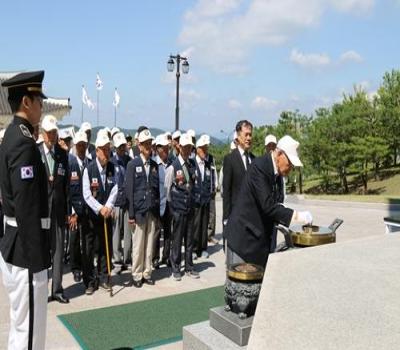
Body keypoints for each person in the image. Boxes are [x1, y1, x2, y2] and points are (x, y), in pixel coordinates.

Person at [0, 70, 51, 349]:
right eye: (38, 100)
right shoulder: (23, 143)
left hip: (15, 246)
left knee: (20, 328)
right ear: (26, 103)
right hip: (27, 253)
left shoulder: (12, 136)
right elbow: (27, 208)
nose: (42, 106)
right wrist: (37, 262)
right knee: (29, 333)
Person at [225, 135, 313, 268]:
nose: (290, 169)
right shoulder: (260, 167)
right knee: (239, 286)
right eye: (289, 163)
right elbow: (268, 206)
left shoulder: (277, 173)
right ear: (279, 154)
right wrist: (297, 216)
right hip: (243, 241)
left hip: (259, 241)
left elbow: (276, 203)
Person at [38, 115, 70, 304]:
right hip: (41, 211)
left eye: (54, 132)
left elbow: (66, 185)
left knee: (57, 251)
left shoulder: (62, 154)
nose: (51, 136)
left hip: (58, 210)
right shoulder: (35, 153)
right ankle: (41, 290)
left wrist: (68, 211)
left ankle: (57, 289)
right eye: (49, 132)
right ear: (43, 133)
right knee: (42, 251)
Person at [83, 131, 118, 291]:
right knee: (90, 250)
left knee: (105, 247)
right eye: (103, 150)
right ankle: (90, 280)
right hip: (93, 216)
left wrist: (109, 206)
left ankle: (104, 276)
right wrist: (100, 208)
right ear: (96, 151)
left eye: (108, 149)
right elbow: (87, 194)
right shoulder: (88, 169)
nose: (106, 153)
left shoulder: (113, 168)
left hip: (106, 215)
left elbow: (115, 189)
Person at [125, 128, 160, 287]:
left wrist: (157, 211)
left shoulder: (154, 165)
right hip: (138, 211)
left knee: (149, 246)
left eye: (149, 143)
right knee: (138, 245)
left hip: (151, 211)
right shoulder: (132, 164)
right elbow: (129, 191)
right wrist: (131, 214)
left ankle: (147, 272)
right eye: (145, 144)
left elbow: (156, 190)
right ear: (139, 146)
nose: (148, 146)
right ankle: (137, 275)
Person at [165, 133, 199, 281]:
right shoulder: (173, 166)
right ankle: (176, 267)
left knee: (190, 239)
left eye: (189, 147)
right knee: (177, 239)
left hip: (190, 206)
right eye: (184, 147)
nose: (187, 150)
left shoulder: (192, 164)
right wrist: (172, 207)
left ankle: (189, 266)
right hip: (178, 207)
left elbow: (194, 183)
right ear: (179, 147)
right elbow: (167, 188)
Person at [68, 130, 92, 293]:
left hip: (88, 210)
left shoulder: (91, 163)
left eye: (84, 145)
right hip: (74, 210)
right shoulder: (70, 164)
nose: (82, 148)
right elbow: (67, 190)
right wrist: (72, 213)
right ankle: (75, 268)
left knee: (88, 242)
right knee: (75, 241)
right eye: (79, 145)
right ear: (75, 146)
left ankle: (87, 269)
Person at [222, 120, 255, 239]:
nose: (248, 138)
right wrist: (226, 218)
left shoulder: (254, 159)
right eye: (246, 134)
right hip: (235, 216)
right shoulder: (230, 159)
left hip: (251, 217)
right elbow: (227, 191)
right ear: (238, 134)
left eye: (250, 134)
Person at [110, 132, 131, 270]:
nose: (122, 149)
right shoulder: (111, 162)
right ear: (115, 148)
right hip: (116, 202)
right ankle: (117, 260)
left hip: (128, 202)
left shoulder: (130, 161)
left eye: (123, 146)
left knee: (128, 233)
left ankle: (127, 259)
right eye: (119, 147)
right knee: (116, 233)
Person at [152, 133, 172, 268]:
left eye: (167, 148)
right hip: (157, 204)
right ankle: (155, 257)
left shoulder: (171, 163)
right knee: (156, 232)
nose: (166, 151)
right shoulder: (153, 164)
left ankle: (166, 256)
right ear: (158, 149)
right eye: (163, 148)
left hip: (169, 203)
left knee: (168, 233)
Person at [192, 135, 213, 259]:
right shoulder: (192, 163)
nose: (206, 151)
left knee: (204, 224)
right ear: (198, 149)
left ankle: (203, 247)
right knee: (196, 225)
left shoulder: (207, 164)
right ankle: (194, 249)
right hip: (195, 199)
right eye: (203, 149)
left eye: (207, 149)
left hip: (205, 199)